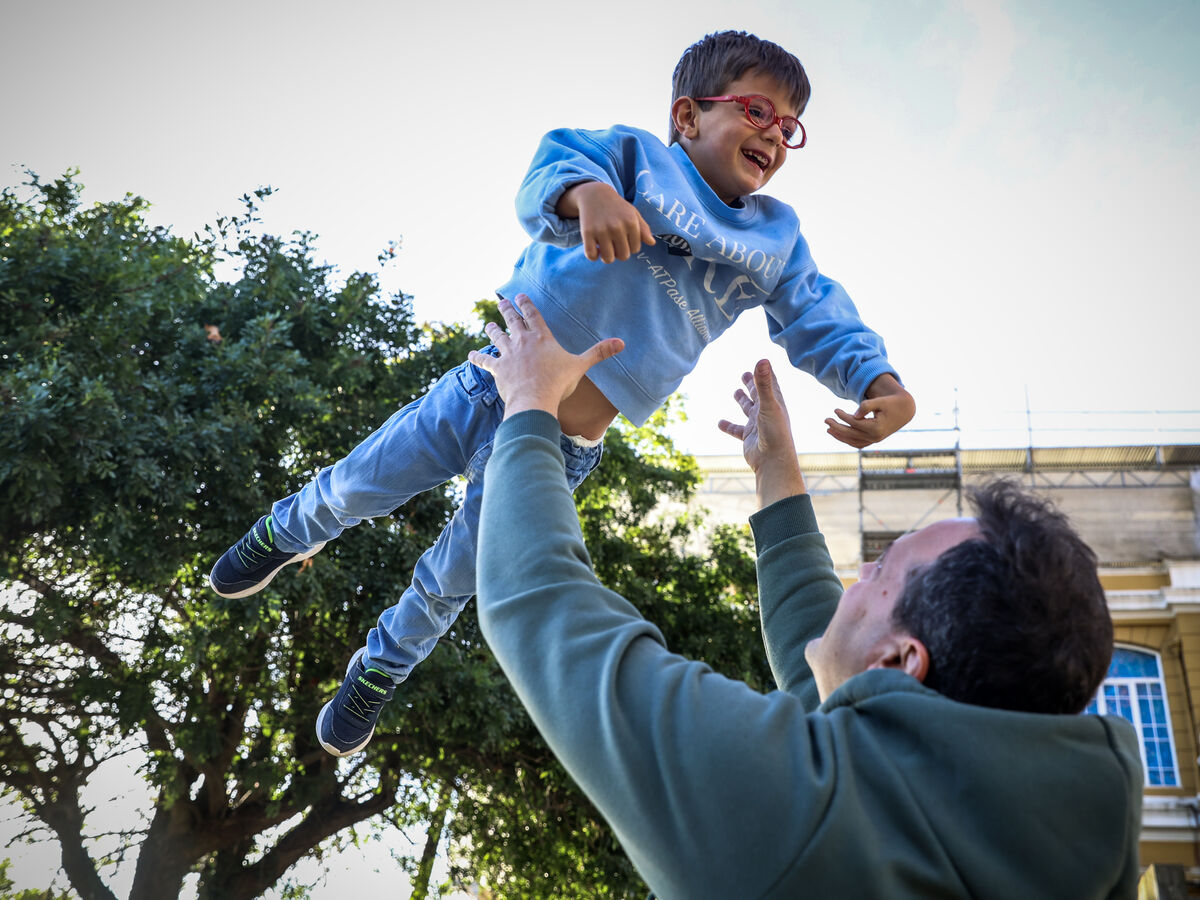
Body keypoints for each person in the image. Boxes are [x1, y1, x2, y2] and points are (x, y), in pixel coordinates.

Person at [210, 30, 917, 757]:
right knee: (360, 483)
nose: (773, 135)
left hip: (560, 447)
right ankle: (286, 532)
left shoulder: (775, 240)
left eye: (788, 128)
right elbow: (554, 162)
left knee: (456, 576)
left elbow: (819, 311)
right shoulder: (635, 159)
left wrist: (880, 382)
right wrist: (590, 195)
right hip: (487, 388)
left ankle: (381, 667)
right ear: (688, 116)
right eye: (757, 111)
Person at [471, 295, 1143, 899]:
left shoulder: (797, 824)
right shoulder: (1055, 841)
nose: (862, 574)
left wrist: (530, 404)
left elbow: (540, 602)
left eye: (882, 572)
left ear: (902, 661)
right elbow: (826, 669)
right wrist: (776, 472)